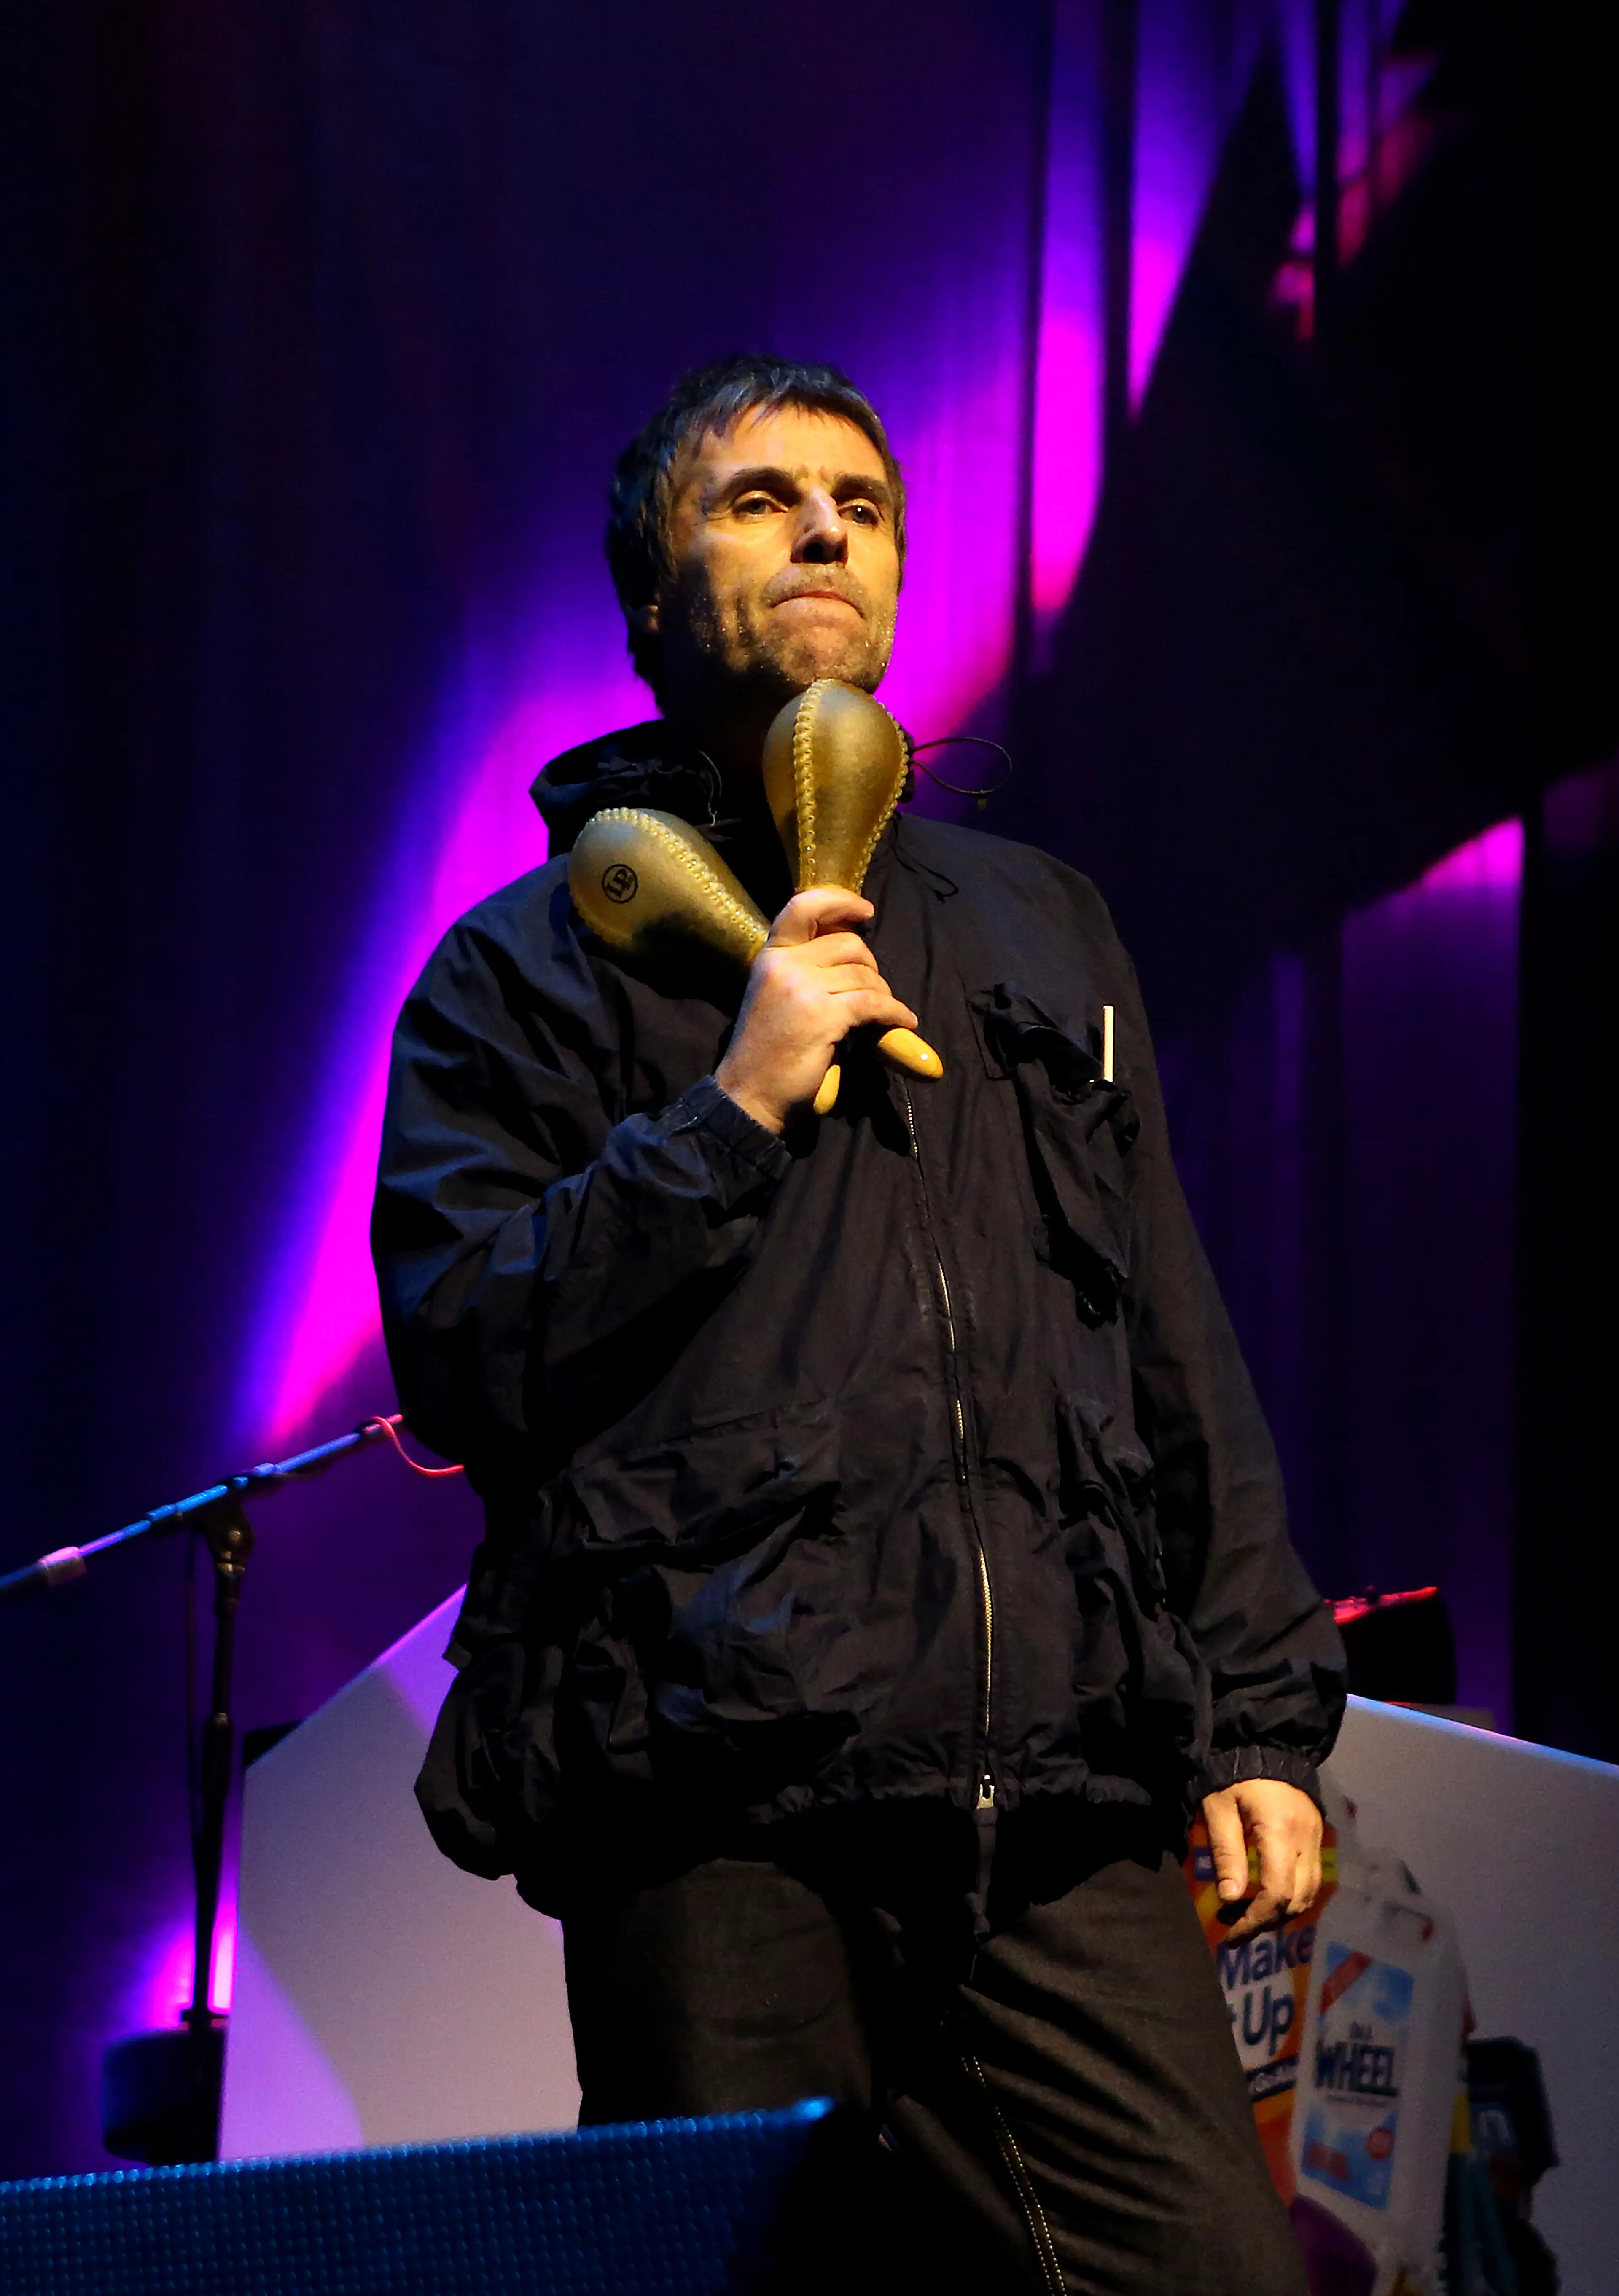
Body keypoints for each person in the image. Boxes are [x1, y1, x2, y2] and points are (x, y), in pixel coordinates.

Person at [372, 355, 1347, 2295]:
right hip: (717, 1789)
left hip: (1055, 1787)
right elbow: (468, 1350)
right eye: (758, 499)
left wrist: (1259, 1715)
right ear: (650, 599)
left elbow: (1167, 1331)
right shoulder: (520, 966)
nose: (826, 524)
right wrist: (725, 1115)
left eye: (864, 502)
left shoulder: (1037, 921)